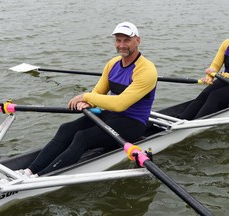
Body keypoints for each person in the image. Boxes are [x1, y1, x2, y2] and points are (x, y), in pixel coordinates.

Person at [17, 22, 158, 177]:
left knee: (82, 138)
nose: (122, 45)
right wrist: (89, 101)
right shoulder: (112, 64)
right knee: (66, 129)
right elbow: (98, 91)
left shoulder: (147, 70)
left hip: (133, 122)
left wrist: (85, 97)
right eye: (118, 40)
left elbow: (120, 104)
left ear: (138, 40)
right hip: (111, 116)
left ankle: (40, 178)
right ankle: (29, 171)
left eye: (127, 40)